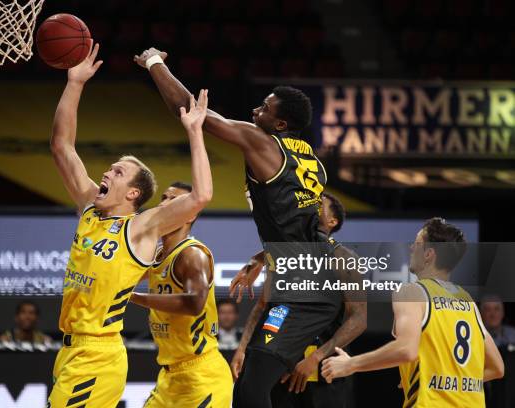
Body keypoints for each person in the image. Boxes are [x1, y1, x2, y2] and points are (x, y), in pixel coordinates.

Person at [135, 47, 352, 408]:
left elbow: (194, 113)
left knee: (253, 390)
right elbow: (301, 229)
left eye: (265, 109)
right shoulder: (311, 161)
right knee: (257, 380)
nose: (256, 111)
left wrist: (155, 64)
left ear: (280, 125)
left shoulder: (262, 142)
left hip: (306, 287)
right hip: (300, 281)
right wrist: (262, 256)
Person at [47, 43, 213, 408]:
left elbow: (200, 196)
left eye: (117, 172)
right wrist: (75, 83)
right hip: (69, 350)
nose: (106, 172)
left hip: (99, 355)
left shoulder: (140, 227)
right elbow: (61, 146)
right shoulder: (91, 207)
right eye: (110, 168)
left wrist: (195, 132)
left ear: (134, 192)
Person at [322, 218, 505, 407]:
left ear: (428, 254)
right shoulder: (468, 301)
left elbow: (405, 350)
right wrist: (448, 383)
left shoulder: (412, 291)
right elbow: (497, 368)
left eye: (417, 244)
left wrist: (349, 365)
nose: (411, 248)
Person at [231, 192, 365, 408]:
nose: (310, 206)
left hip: (322, 367)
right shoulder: (283, 254)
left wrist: (314, 359)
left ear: (332, 221)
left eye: (318, 204)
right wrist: (243, 349)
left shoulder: (344, 258)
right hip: (281, 361)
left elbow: (358, 319)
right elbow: (263, 306)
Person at [130, 181, 232, 408]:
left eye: (173, 201)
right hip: (170, 377)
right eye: (164, 198)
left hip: (201, 376)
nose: (164, 204)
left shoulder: (192, 255)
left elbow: (195, 303)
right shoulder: (157, 253)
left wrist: (133, 296)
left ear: (189, 216)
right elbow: (122, 276)